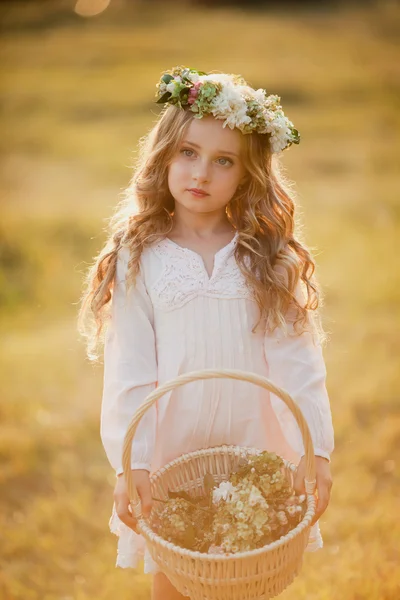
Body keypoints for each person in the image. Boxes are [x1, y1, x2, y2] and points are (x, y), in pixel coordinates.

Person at [78, 66, 334, 600]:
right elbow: (130, 368)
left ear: (248, 174)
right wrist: (135, 462)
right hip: (173, 449)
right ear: (165, 155)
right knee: (173, 576)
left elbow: (298, 361)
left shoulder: (266, 255)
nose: (202, 173)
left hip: (253, 445)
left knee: (249, 576)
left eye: (224, 161)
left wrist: (317, 450)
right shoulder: (139, 254)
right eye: (189, 153)